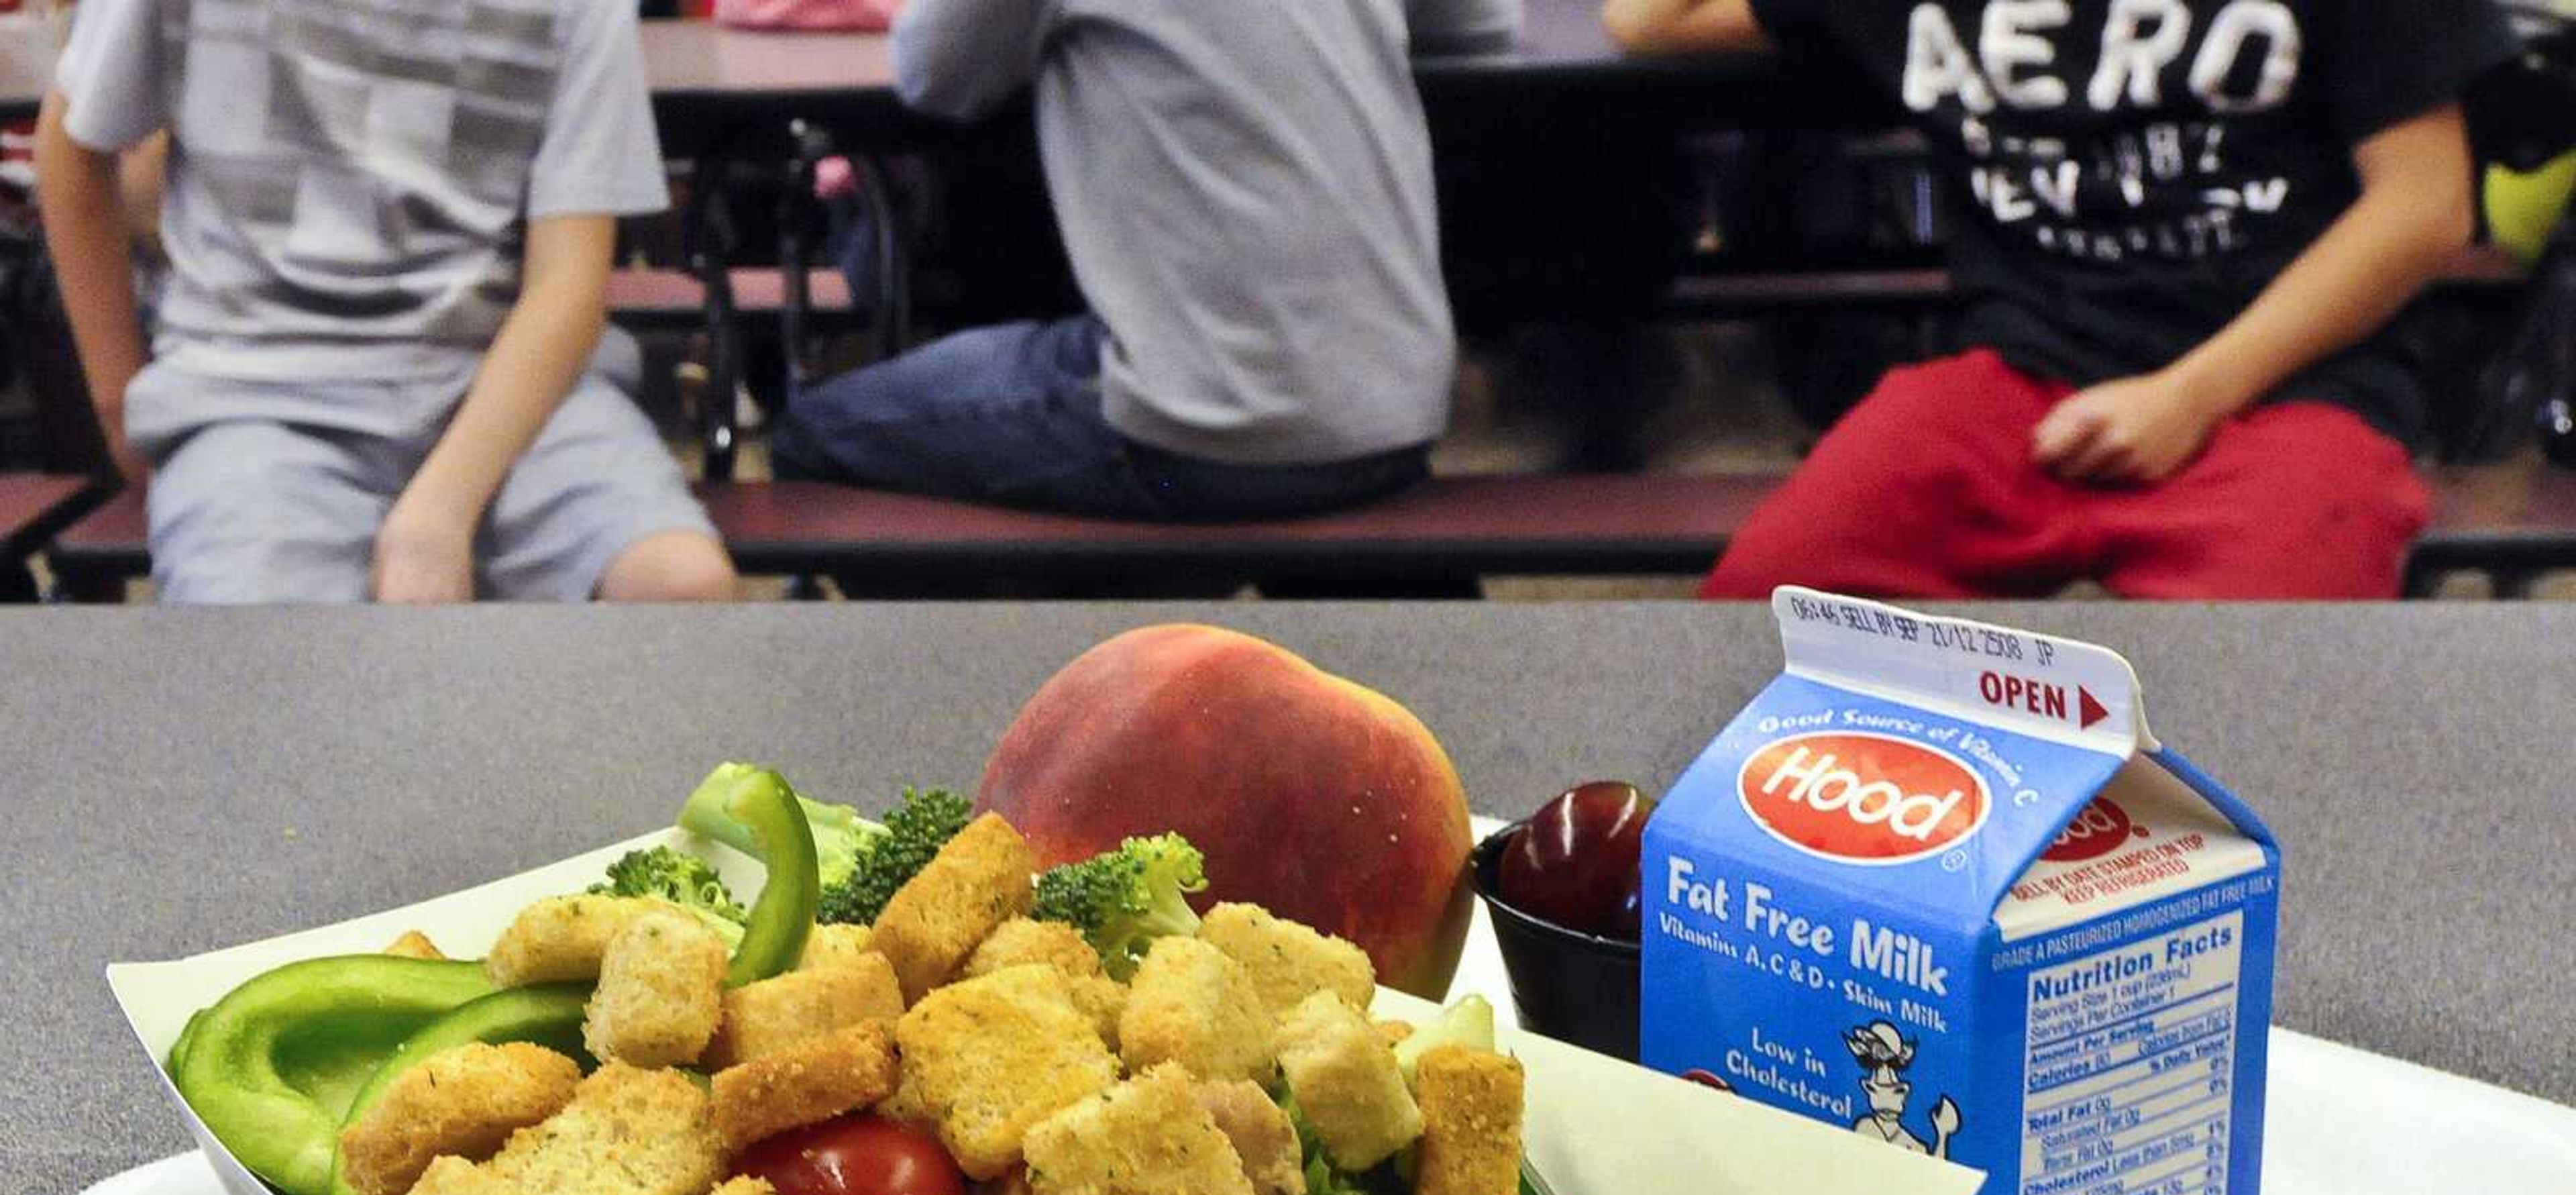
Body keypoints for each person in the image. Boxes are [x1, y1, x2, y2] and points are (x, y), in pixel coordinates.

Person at [1604, 0, 2520, 600]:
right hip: (2020, 374)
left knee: (2254, 711)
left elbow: (2426, 205)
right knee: (1764, 615)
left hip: (2291, 386)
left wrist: (2189, 397)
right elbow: (1648, 20)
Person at [35, 0, 737, 605]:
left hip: (509, 386)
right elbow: (72, 149)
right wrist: (118, 400)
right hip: (255, 396)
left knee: (683, 588)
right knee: (263, 655)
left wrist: (441, 510)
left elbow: (569, 281)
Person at [770, 0, 1523, 520]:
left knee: (814, 440)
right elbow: (1482, 29)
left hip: (1207, 422)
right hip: (1397, 410)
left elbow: (933, 73)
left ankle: (1005, 696)